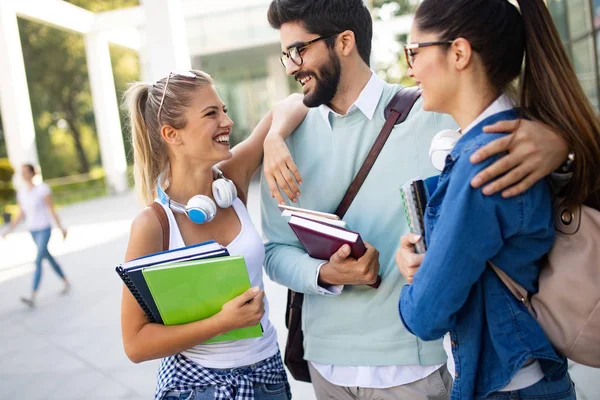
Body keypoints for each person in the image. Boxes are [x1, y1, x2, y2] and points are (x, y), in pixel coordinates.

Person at [260, 0, 575, 399]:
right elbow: (275, 251)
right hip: (326, 365)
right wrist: (323, 274)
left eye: (299, 50)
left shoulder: (434, 112)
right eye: (285, 54)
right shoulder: (285, 143)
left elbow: (503, 118)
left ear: (344, 41)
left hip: (422, 368)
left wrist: (561, 144)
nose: (290, 66)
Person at [396, 0, 600, 399]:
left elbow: (426, 315)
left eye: (414, 52)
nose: (410, 68)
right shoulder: (523, 135)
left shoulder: (484, 163)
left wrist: (413, 288)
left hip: (502, 386)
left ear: (458, 52)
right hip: (532, 374)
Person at [121, 70, 307, 400]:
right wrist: (221, 323)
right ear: (171, 134)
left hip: (268, 376)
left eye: (224, 110)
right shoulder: (153, 225)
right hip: (197, 387)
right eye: (211, 113)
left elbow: (293, 102)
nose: (227, 121)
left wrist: (274, 137)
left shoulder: (230, 180)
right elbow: (135, 343)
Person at [2, 163, 70, 307]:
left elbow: (51, 210)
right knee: (48, 258)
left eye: (26, 172)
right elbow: (21, 213)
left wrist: (61, 228)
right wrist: (9, 230)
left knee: (38, 260)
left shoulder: (43, 189)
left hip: (45, 229)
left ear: (33, 173)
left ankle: (32, 295)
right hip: (33, 230)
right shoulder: (22, 193)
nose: (23, 175)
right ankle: (65, 280)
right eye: (22, 172)